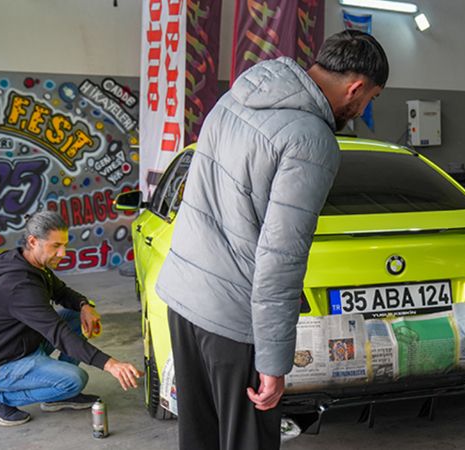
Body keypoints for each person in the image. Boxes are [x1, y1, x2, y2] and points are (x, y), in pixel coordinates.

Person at [155, 30, 388, 450]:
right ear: (356, 88)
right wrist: (274, 363)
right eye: (370, 98)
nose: (362, 108)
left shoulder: (235, 98)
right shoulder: (311, 139)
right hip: (232, 317)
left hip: (184, 302)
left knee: (199, 437)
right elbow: (281, 258)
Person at [0, 211, 144, 427]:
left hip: (22, 345)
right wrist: (111, 364)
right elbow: (59, 334)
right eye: (55, 246)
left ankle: (56, 395)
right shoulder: (19, 285)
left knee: (75, 316)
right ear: (33, 241)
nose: (62, 253)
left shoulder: (33, 265)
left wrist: (84, 306)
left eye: (64, 245)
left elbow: (61, 292)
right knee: (74, 379)